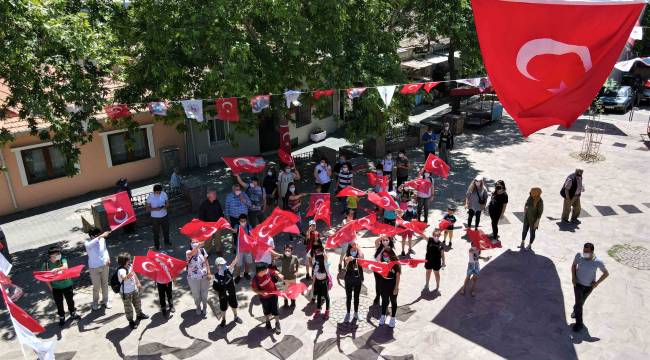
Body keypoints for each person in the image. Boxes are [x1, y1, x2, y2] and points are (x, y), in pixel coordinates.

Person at [571, 243, 609, 332]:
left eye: (587, 251)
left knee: (580, 303)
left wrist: (597, 283)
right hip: (578, 284)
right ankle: (579, 324)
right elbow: (573, 266)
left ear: (592, 252)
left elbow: (606, 273)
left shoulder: (598, 262)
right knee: (579, 304)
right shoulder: (579, 256)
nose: (584, 253)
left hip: (589, 287)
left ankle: (575, 310)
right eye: (584, 251)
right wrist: (573, 277)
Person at [42, 246, 81, 327]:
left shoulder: (62, 259)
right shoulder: (46, 265)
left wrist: (56, 269)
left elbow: (65, 267)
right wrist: (51, 288)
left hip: (67, 285)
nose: (59, 255)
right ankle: (62, 316)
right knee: (59, 303)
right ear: (51, 255)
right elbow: (46, 278)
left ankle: (72, 313)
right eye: (56, 254)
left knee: (70, 301)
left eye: (59, 253)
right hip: (56, 288)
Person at [116, 252, 148, 329]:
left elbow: (134, 275)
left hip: (134, 289)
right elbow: (123, 277)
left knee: (137, 303)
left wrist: (138, 282)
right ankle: (131, 321)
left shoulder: (130, 266)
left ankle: (139, 314)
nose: (130, 260)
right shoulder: (121, 270)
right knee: (128, 307)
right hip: (126, 292)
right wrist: (128, 276)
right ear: (124, 261)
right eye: (128, 259)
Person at [251, 263, 283, 335]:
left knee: (275, 309)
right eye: (265, 270)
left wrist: (279, 274)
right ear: (260, 271)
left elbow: (274, 271)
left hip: (273, 294)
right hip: (264, 298)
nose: (267, 271)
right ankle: (267, 322)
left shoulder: (267, 271)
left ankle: (277, 323)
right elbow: (254, 289)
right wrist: (261, 292)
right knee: (266, 310)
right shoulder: (255, 280)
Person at [85, 228, 112, 310]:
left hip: (104, 265)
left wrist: (108, 258)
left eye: (99, 234)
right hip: (94, 267)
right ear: (91, 236)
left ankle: (106, 300)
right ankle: (95, 302)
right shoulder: (87, 242)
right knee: (96, 286)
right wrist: (101, 236)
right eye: (96, 235)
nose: (99, 236)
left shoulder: (102, 239)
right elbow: (89, 245)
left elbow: (105, 250)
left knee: (105, 284)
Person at [212, 256, 243, 327]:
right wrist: (221, 290)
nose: (223, 266)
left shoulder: (229, 269)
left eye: (224, 264)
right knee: (223, 307)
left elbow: (233, 264)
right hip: (222, 295)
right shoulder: (216, 276)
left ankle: (235, 317)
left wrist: (236, 258)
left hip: (231, 292)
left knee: (234, 305)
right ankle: (223, 320)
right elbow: (215, 286)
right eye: (221, 265)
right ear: (217, 266)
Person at [185, 239, 211, 317]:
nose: (195, 243)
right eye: (193, 242)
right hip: (193, 278)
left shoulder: (202, 250)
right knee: (196, 294)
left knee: (204, 293)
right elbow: (192, 254)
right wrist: (198, 246)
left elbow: (206, 262)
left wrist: (209, 272)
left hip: (204, 276)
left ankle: (205, 307)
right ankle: (198, 307)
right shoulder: (188, 252)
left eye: (197, 242)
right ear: (190, 243)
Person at [378, 248, 400, 328]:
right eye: (383, 256)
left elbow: (397, 276)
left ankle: (393, 318)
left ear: (391, 255)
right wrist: (382, 266)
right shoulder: (382, 262)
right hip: (383, 283)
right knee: (384, 301)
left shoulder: (396, 264)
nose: (385, 257)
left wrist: (396, 288)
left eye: (386, 256)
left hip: (392, 284)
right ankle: (383, 316)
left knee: (393, 301)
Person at [198, 189, 224, 254]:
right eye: (214, 194)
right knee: (208, 240)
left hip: (217, 224)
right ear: (209, 195)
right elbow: (201, 217)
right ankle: (207, 251)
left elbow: (221, 212)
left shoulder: (217, 202)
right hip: (208, 226)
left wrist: (222, 220)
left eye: (215, 194)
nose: (215, 195)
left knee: (218, 238)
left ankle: (218, 250)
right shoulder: (204, 205)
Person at [343, 242, 364, 322]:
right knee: (349, 297)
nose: (354, 251)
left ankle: (356, 313)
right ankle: (348, 313)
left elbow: (362, 257)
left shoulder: (359, 255)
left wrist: (358, 247)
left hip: (358, 279)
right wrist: (349, 258)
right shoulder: (347, 255)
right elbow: (345, 260)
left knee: (356, 297)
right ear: (349, 249)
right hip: (348, 279)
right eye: (352, 249)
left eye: (355, 249)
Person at [146, 184, 170, 250]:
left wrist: (165, 206)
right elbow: (147, 209)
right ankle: (157, 245)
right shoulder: (150, 197)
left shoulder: (164, 194)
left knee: (166, 230)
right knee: (156, 232)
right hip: (155, 218)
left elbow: (167, 203)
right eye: (157, 192)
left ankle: (167, 242)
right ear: (154, 191)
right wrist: (155, 209)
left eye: (160, 192)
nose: (159, 193)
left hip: (164, 215)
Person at [372, 235, 394, 305]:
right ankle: (377, 296)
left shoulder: (390, 249)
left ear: (389, 241)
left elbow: (392, 261)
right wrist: (382, 237)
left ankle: (385, 298)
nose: (385, 241)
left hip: (385, 270)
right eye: (383, 240)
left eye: (386, 240)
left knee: (384, 284)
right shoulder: (379, 247)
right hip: (377, 269)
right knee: (377, 284)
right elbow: (376, 241)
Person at [153, 253, 176, 318]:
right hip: (160, 282)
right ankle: (163, 308)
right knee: (161, 296)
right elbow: (153, 272)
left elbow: (172, 269)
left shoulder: (168, 262)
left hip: (168, 281)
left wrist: (174, 279)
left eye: (162, 257)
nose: (161, 258)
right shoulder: (156, 263)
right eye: (159, 257)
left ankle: (171, 306)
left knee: (169, 294)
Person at [233, 214, 254, 283]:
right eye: (241, 221)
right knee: (238, 264)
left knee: (247, 262)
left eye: (244, 221)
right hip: (239, 249)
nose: (243, 222)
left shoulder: (249, 226)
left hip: (248, 248)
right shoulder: (237, 226)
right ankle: (238, 276)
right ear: (239, 221)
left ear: (246, 221)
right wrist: (234, 230)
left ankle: (246, 273)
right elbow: (234, 231)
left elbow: (252, 235)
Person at [311, 249, 331, 319]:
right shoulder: (316, 264)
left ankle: (327, 311)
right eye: (316, 257)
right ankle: (318, 309)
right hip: (318, 282)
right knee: (319, 296)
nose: (317, 259)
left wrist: (323, 250)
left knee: (326, 296)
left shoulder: (325, 263)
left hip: (324, 282)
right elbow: (314, 276)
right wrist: (313, 286)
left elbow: (325, 257)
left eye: (318, 258)